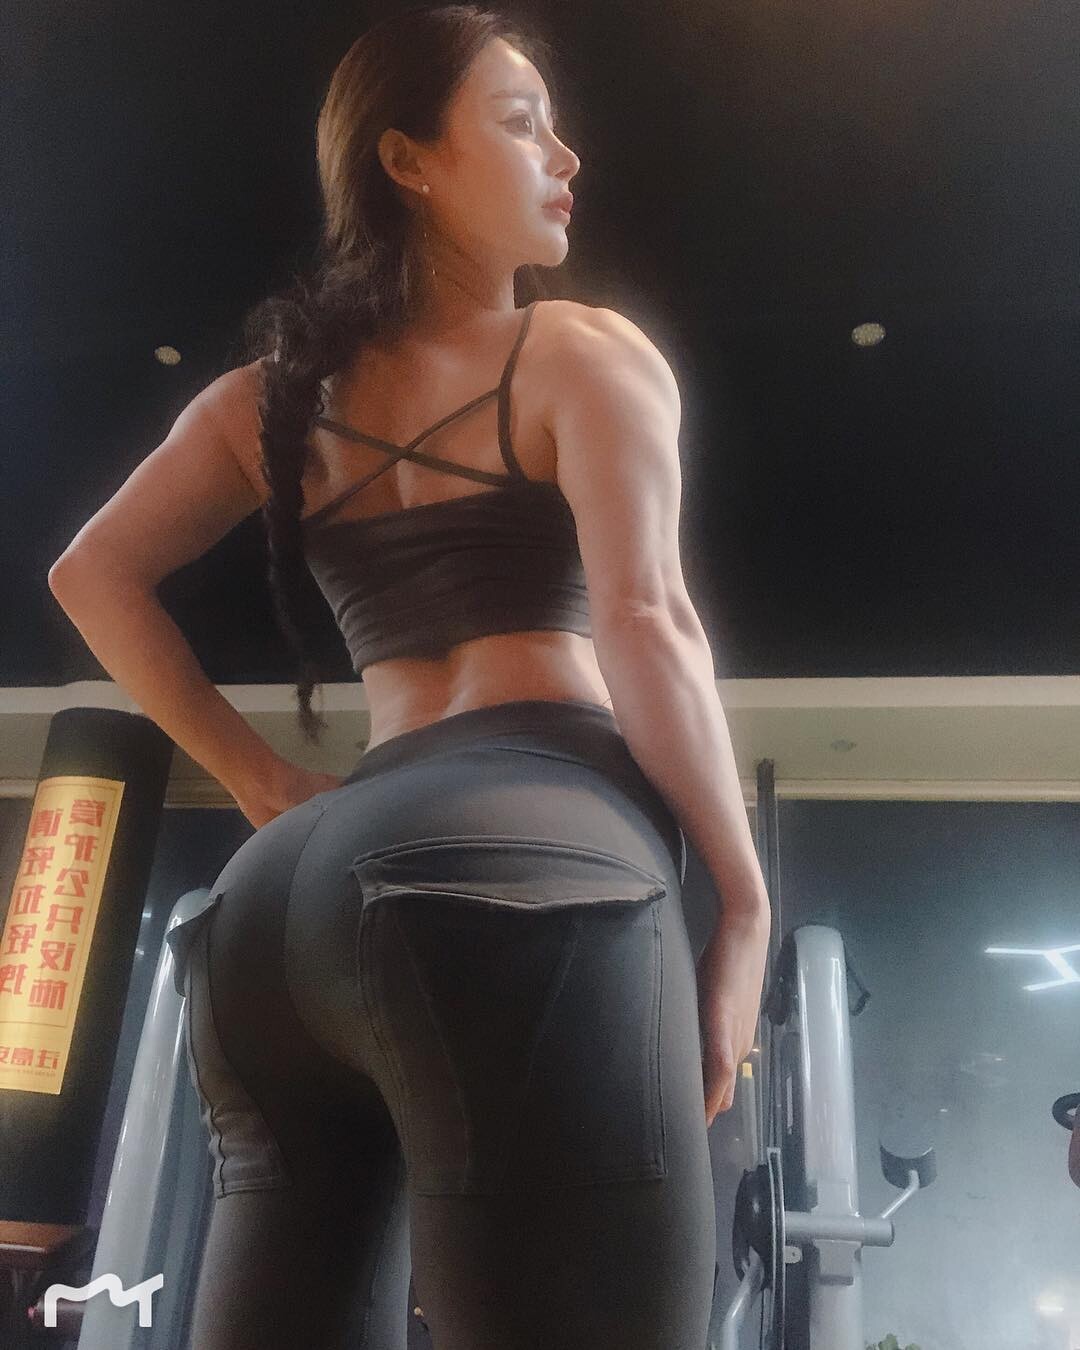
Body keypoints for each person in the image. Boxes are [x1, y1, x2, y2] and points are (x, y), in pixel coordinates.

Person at [47, 5, 772, 1346]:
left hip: (274, 911)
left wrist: (263, 782)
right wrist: (743, 898)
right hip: (519, 857)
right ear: (408, 160)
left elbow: (90, 573)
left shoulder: (267, 401)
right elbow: (649, 619)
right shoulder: (580, 351)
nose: (565, 155)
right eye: (520, 122)